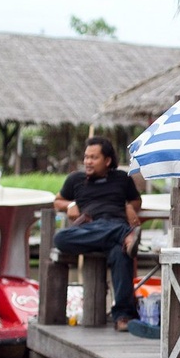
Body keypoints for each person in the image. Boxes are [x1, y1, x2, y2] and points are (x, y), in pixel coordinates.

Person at [53, 137, 142, 332]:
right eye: (86, 157)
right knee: (60, 238)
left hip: (114, 224)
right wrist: (69, 205)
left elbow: (137, 201)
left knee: (122, 254)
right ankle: (123, 234)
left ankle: (123, 316)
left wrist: (128, 206)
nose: (87, 162)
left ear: (107, 161)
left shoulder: (122, 178)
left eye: (93, 158)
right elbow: (57, 201)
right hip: (90, 229)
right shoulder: (75, 179)